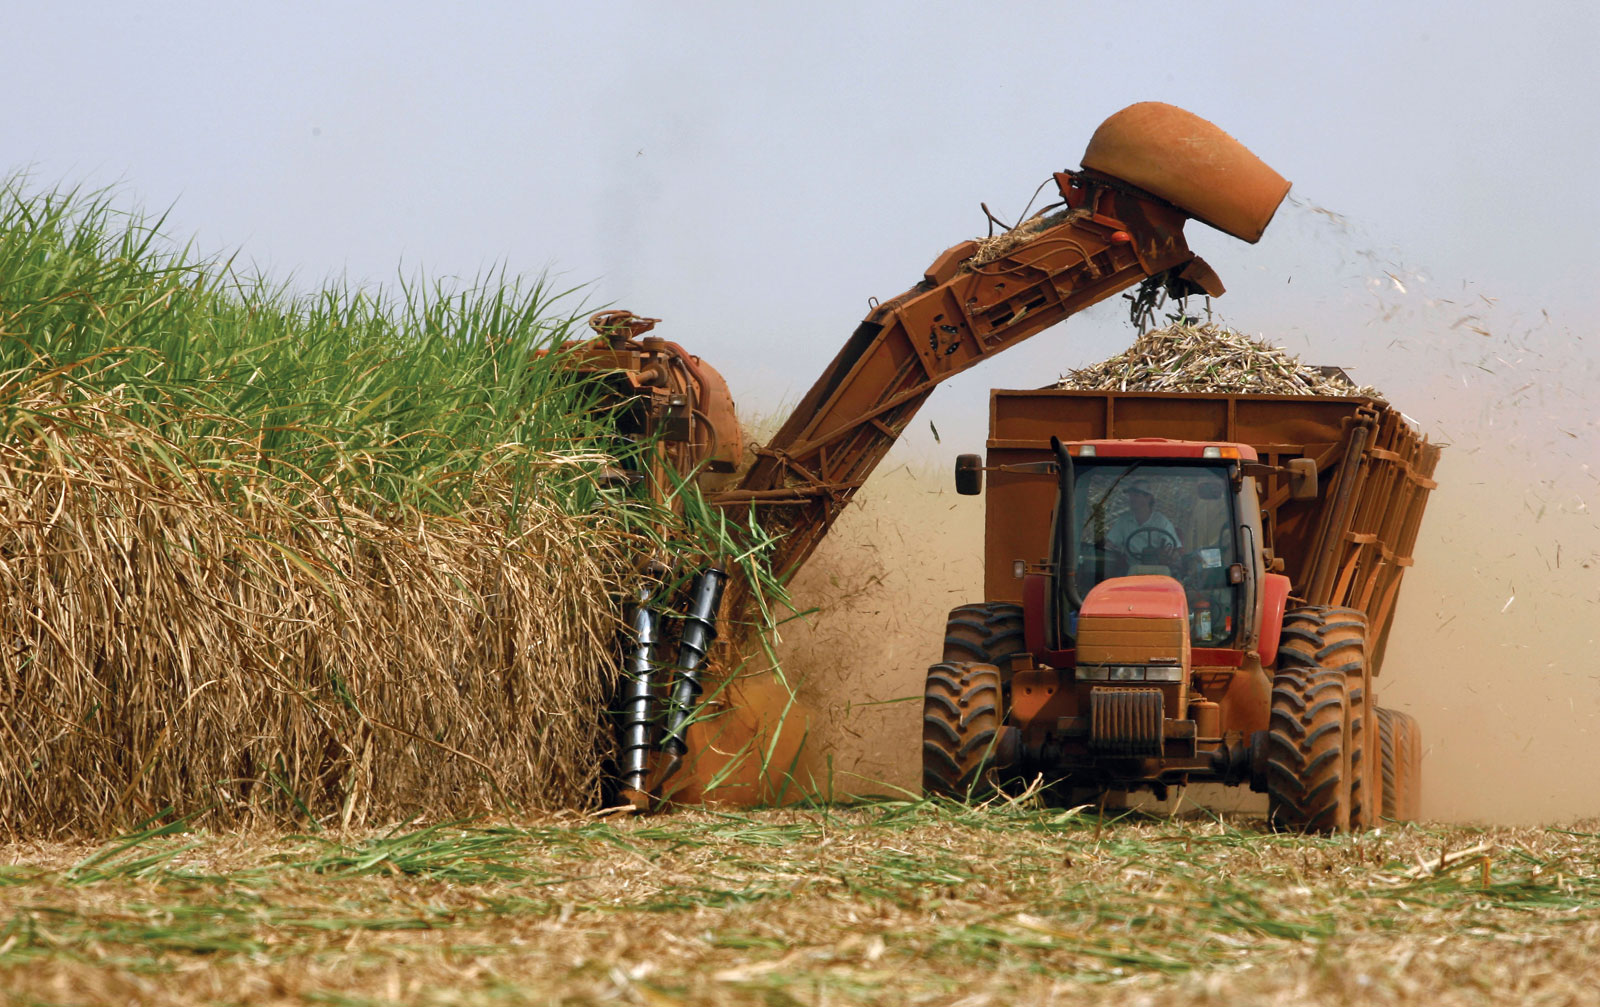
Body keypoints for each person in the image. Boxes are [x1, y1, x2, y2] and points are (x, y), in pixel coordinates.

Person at [1105, 480, 1181, 560]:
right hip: (1131, 566)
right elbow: (1110, 544)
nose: (1132, 499)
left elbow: (1173, 550)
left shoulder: (1162, 522)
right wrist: (1109, 548)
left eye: (1136, 495)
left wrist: (1165, 554)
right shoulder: (1124, 520)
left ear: (1148, 498)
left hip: (1158, 566)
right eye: (1130, 495)